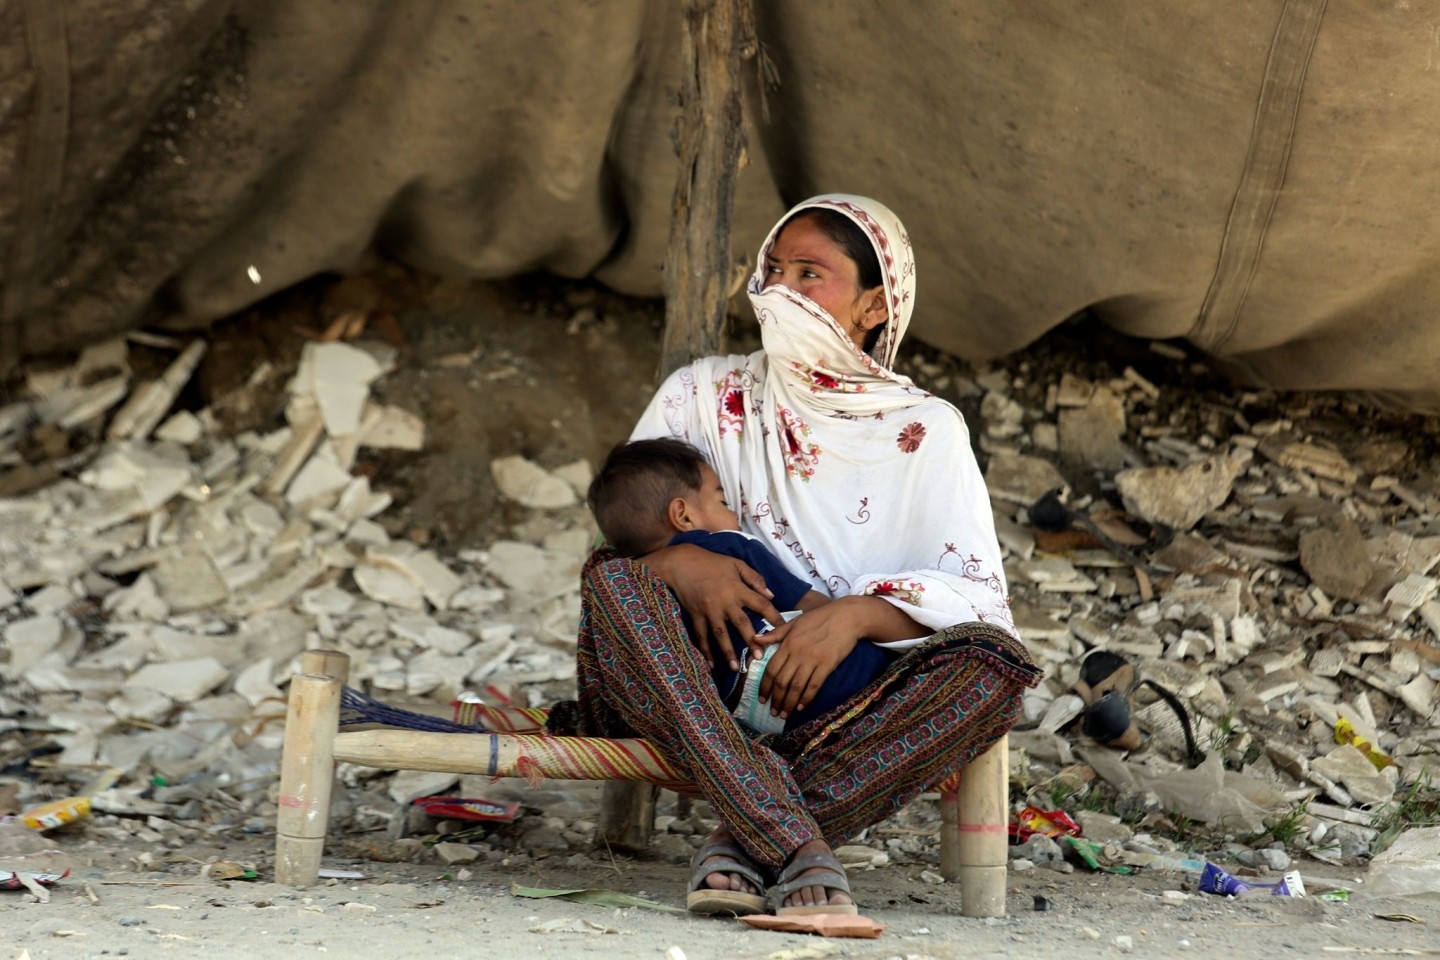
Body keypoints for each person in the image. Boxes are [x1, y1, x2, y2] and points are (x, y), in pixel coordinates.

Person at [547, 194, 1040, 917]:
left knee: (995, 668)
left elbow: (978, 602)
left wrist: (855, 618)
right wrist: (676, 565)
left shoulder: (925, 430)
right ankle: (791, 840)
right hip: (687, 684)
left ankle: (744, 843)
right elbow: (609, 562)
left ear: (874, 306)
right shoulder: (703, 395)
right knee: (623, 590)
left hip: (841, 705)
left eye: (811, 274)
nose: (781, 289)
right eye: (773, 268)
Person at [586, 437, 898, 734]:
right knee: (892, 658)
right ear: (683, 515)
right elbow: (812, 605)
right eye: (722, 500)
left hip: (754, 716)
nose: (735, 513)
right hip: (825, 680)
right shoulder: (732, 547)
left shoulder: (641, 595)